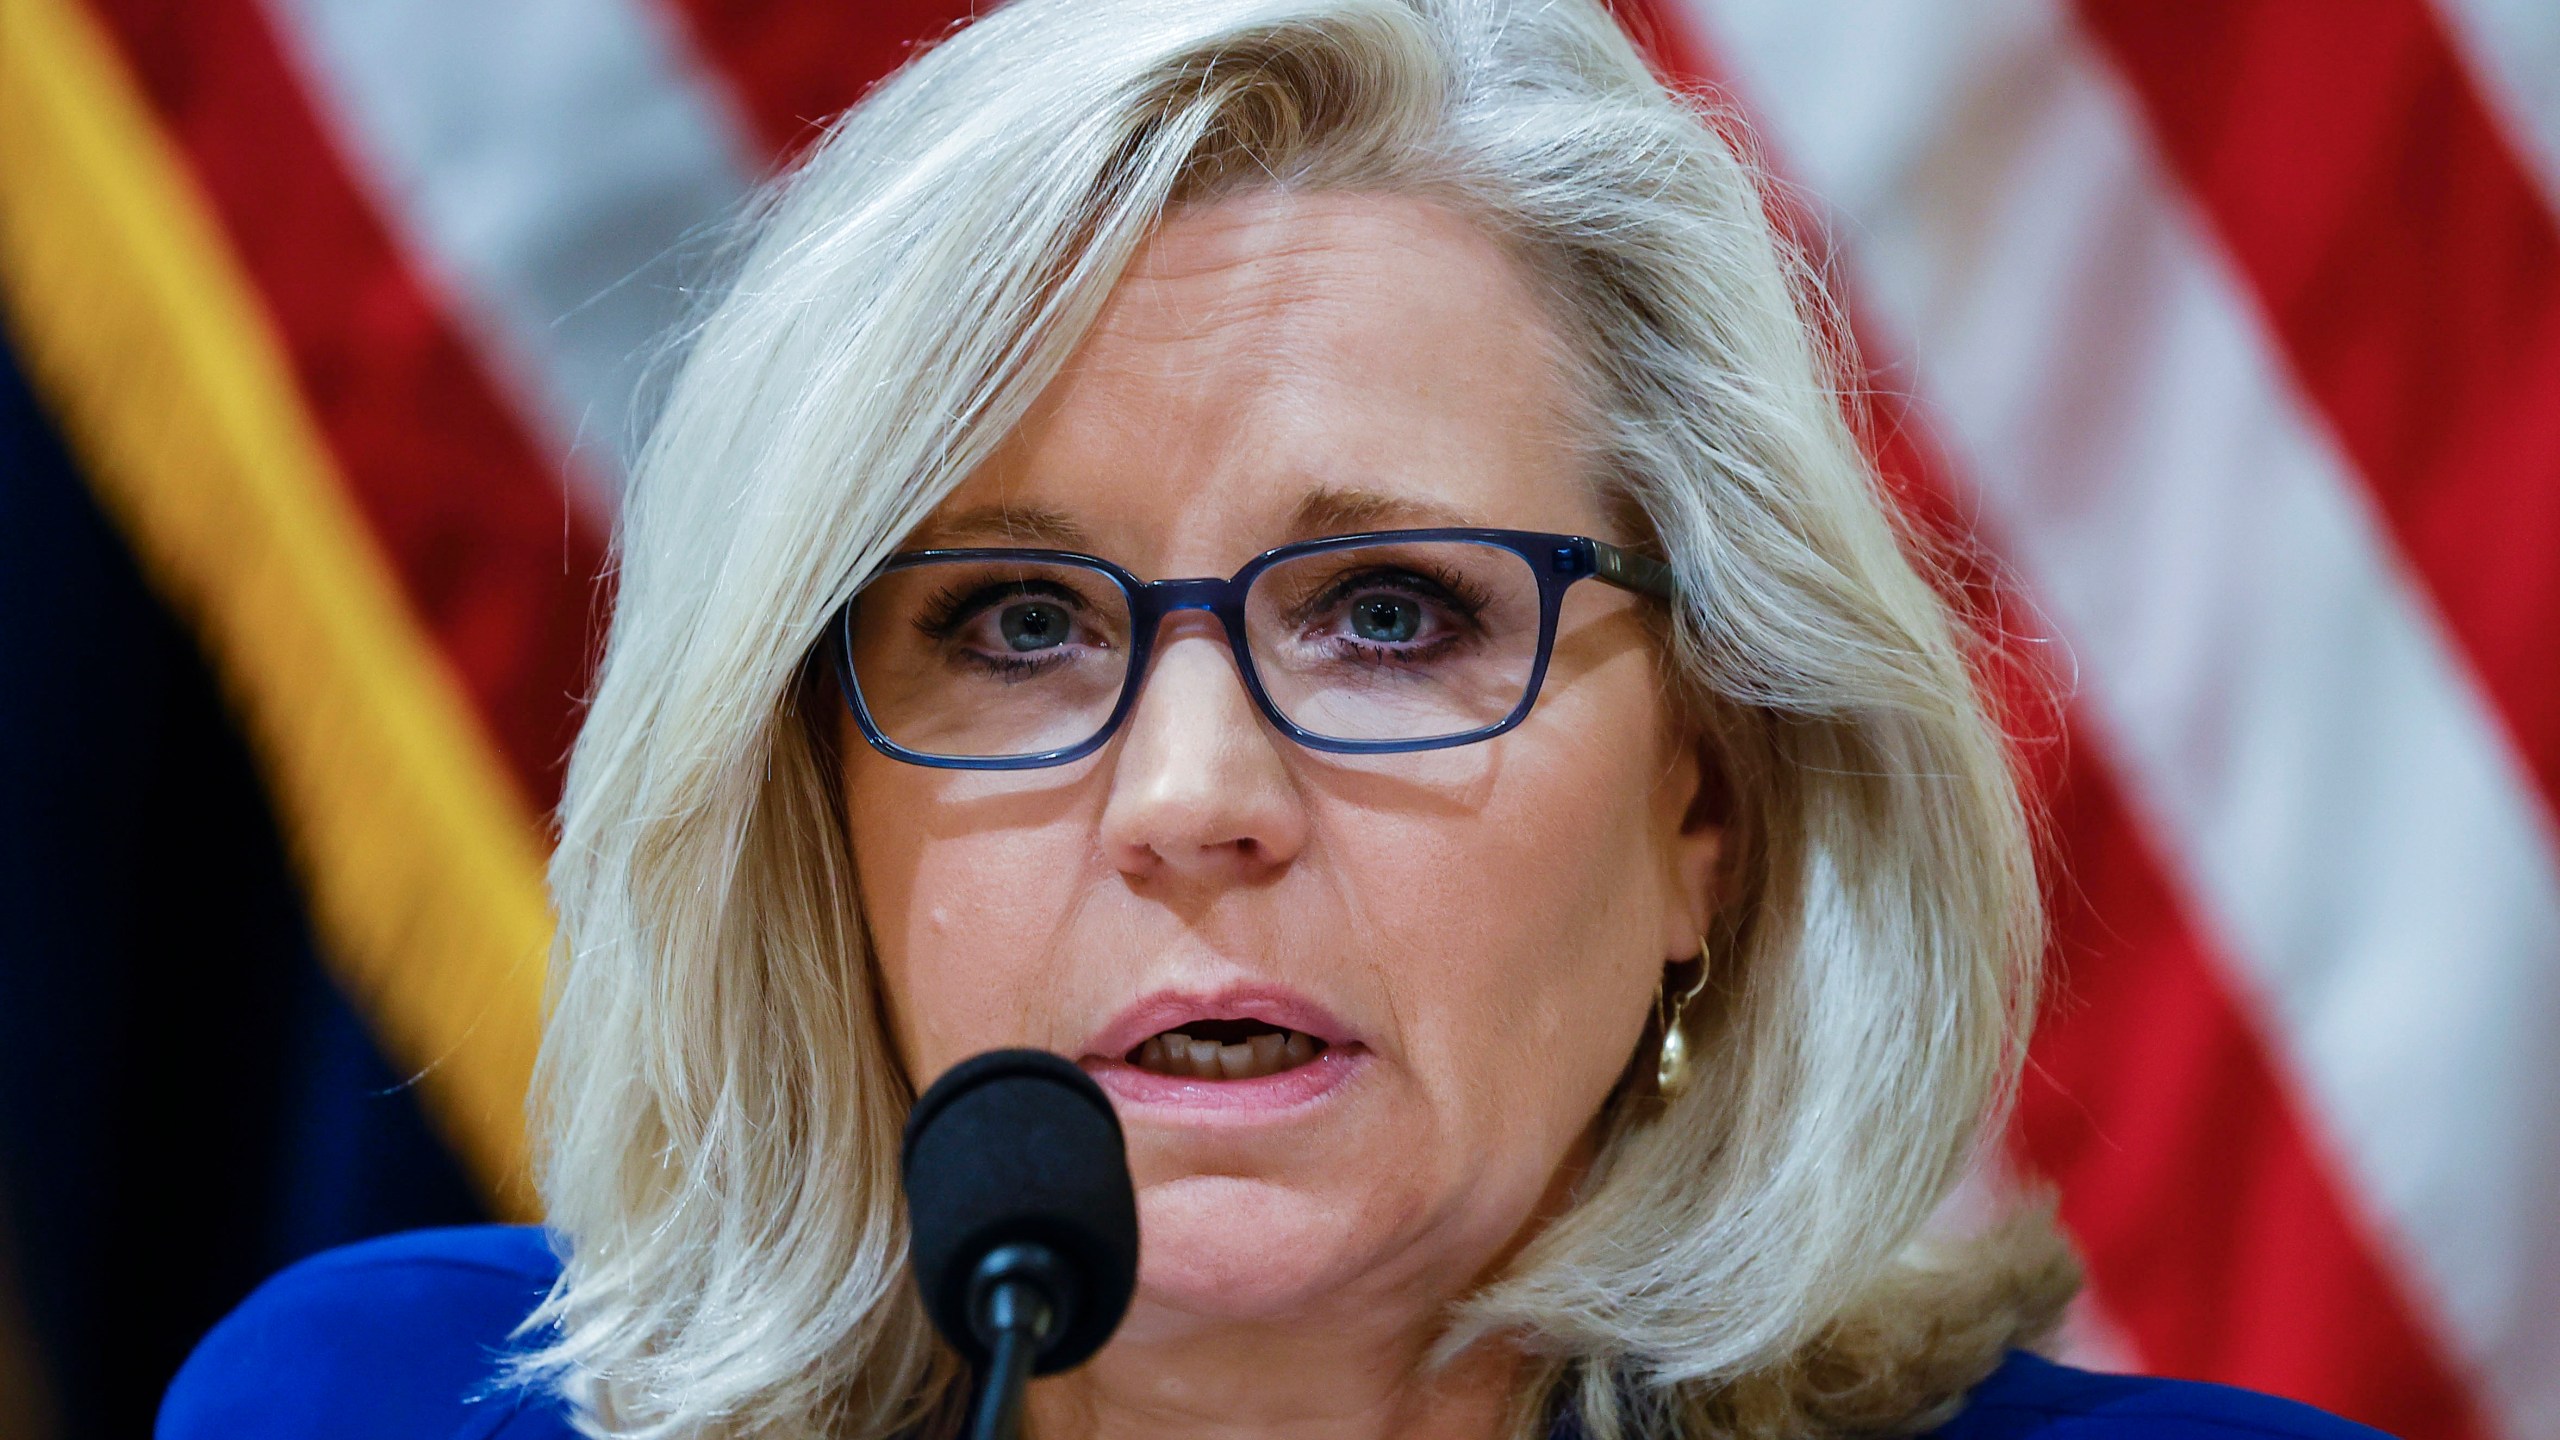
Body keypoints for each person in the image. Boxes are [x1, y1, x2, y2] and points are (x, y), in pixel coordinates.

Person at [160, 0, 2392, 1437]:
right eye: (1017, 623)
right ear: (807, 805)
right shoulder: (376, 1410)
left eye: (1393, 615)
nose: (1194, 799)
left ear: (1705, 807)